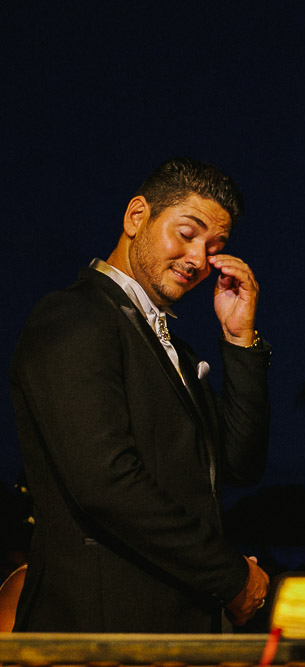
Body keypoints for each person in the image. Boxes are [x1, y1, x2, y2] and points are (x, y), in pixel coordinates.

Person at [9, 157, 271, 632]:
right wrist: (231, 577)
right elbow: (105, 483)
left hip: (177, 630)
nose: (198, 258)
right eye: (187, 232)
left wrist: (240, 340)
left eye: (215, 246)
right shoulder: (73, 316)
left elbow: (240, 463)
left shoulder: (176, 350)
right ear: (136, 218)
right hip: (103, 631)